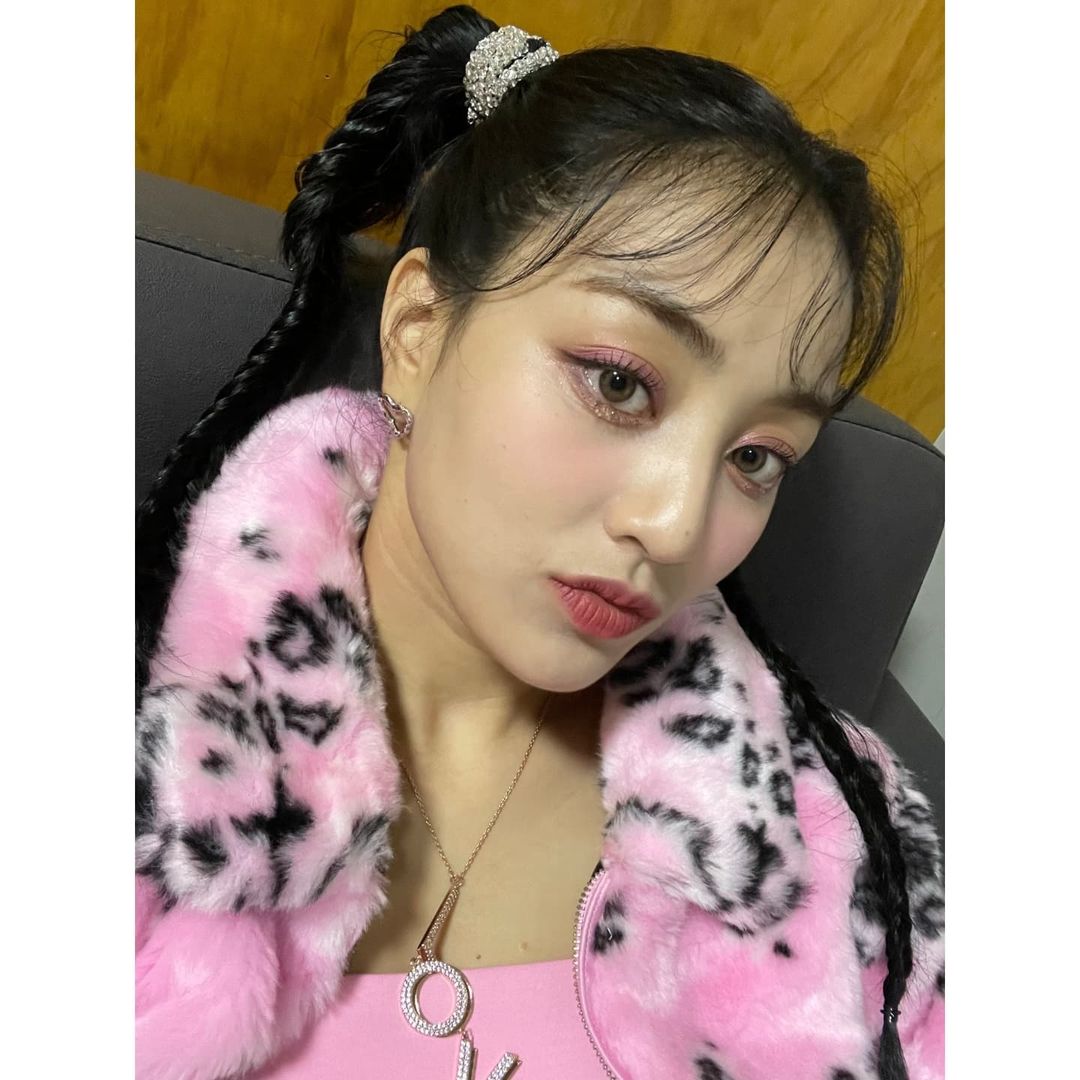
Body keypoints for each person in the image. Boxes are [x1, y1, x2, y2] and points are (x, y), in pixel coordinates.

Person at [134, 7, 944, 1079]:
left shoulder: (836, 826)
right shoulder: (144, 768)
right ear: (419, 331)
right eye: (619, 383)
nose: (675, 525)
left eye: (757, 456)